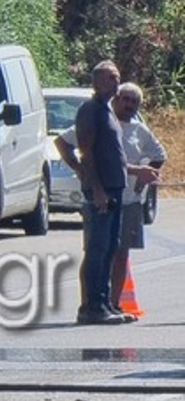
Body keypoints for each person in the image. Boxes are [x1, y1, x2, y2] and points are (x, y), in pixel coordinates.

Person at [59, 81, 167, 315]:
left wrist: (142, 180)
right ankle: (89, 304)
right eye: (125, 99)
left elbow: (160, 155)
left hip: (128, 201)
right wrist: (79, 168)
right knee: (96, 251)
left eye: (134, 101)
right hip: (99, 197)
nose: (128, 104)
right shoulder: (100, 120)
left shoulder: (139, 130)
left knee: (119, 253)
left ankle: (112, 304)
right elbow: (64, 143)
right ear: (115, 99)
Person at [71, 60, 138, 325]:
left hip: (115, 187)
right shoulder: (90, 110)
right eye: (110, 78)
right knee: (97, 248)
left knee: (111, 246)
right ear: (96, 81)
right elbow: (86, 152)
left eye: (117, 77)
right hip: (102, 189)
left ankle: (106, 303)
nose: (115, 82)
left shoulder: (107, 110)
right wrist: (96, 188)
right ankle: (91, 307)